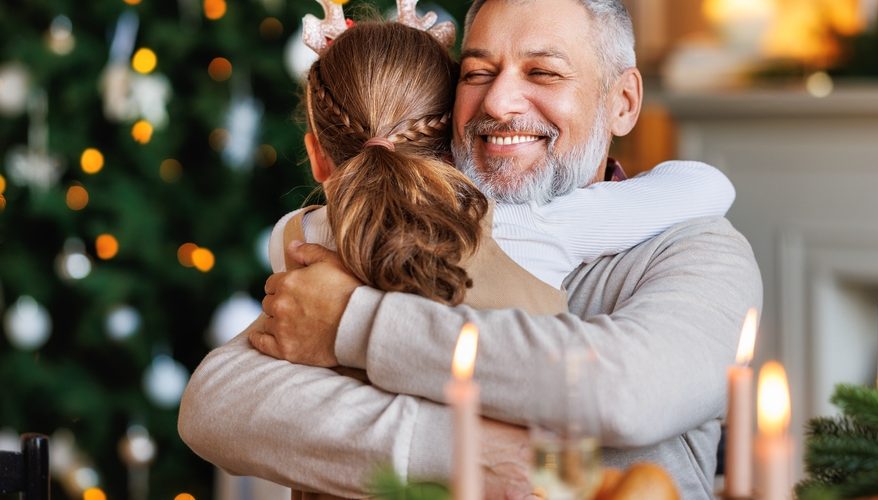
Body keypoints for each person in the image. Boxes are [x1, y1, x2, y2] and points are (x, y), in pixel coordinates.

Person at [178, 1, 762, 499]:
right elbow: (218, 402)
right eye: (478, 73)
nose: (499, 102)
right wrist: (475, 454)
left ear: (624, 102)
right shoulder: (402, 232)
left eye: (543, 72)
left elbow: (628, 391)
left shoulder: (696, 249)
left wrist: (352, 323)